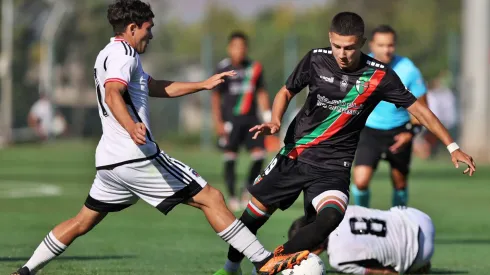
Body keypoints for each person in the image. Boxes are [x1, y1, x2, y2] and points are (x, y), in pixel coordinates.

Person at [10, 1, 308, 275]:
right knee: (211, 198)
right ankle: (264, 261)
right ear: (132, 28)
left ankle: (25, 271)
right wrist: (130, 126)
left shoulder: (108, 53)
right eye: (148, 29)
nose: (150, 36)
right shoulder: (124, 55)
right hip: (136, 155)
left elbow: (155, 87)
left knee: (81, 222)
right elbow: (113, 93)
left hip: (110, 163)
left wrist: (202, 85)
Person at [214, 11, 475, 275]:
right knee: (252, 217)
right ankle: (230, 267)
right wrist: (275, 120)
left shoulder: (379, 76)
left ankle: (273, 264)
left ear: (361, 42)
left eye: (349, 47)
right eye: (337, 46)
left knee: (331, 216)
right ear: (330, 38)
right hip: (294, 156)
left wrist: (452, 147)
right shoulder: (316, 59)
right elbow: (285, 91)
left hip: (333, 166)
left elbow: (421, 111)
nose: (342, 53)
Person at [352, 25, 428, 208]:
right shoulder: (359, 65)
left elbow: (423, 110)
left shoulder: (408, 69)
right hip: (369, 132)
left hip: (399, 132)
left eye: (390, 45)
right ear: (371, 45)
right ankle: (362, 222)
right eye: (381, 45)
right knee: (360, 182)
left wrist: (410, 134)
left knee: (400, 183)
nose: (386, 50)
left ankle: (398, 224)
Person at [212, 31, 271, 211]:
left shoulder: (255, 68)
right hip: (231, 120)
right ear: (230, 48)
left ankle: (247, 188)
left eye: (242, 46)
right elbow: (215, 97)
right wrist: (218, 122)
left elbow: (261, 92)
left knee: (260, 155)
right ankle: (231, 196)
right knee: (230, 157)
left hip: (252, 120)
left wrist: (267, 114)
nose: (239, 50)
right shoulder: (223, 68)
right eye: (236, 46)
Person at [288, 205, 434, 275]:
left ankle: (417, 267)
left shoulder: (338, 260)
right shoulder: (339, 212)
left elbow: (385, 273)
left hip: (419, 254)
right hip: (419, 218)